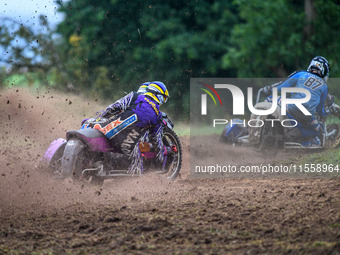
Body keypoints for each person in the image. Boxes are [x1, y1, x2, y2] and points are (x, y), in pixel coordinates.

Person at [93, 81, 170, 174]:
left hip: (108, 130)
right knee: (139, 169)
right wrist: (162, 153)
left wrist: (99, 117)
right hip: (126, 146)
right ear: (158, 95)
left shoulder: (134, 96)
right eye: (164, 98)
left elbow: (113, 107)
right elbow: (156, 139)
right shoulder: (158, 115)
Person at [263, 56, 331, 146]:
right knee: (318, 129)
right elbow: (319, 109)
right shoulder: (324, 86)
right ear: (324, 71)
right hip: (307, 115)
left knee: (270, 99)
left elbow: (282, 86)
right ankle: (296, 134)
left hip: (291, 107)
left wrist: (269, 89)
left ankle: (261, 125)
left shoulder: (301, 74)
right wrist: (325, 113)